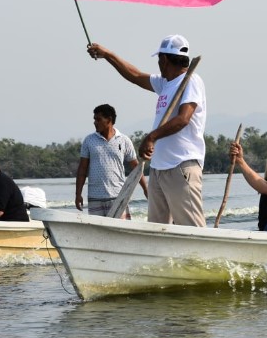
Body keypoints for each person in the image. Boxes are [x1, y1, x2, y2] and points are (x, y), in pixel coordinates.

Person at [86, 35, 207, 227]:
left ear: (164, 59)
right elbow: (134, 76)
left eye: (159, 59)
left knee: (191, 228)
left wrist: (151, 137)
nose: (158, 63)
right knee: (158, 229)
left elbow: (183, 119)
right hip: (159, 169)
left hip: (181, 165)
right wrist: (108, 55)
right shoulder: (166, 83)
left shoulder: (191, 80)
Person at [75, 103, 147, 218]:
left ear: (109, 120)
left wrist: (145, 189)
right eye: (94, 119)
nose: (95, 122)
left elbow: (136, 167)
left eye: (98, 119)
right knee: (98, 232)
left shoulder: (124, 140)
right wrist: (78, 194)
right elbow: (82, 169)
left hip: (118, 196)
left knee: (121, 230)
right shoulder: (89, 140)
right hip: (95, 198)